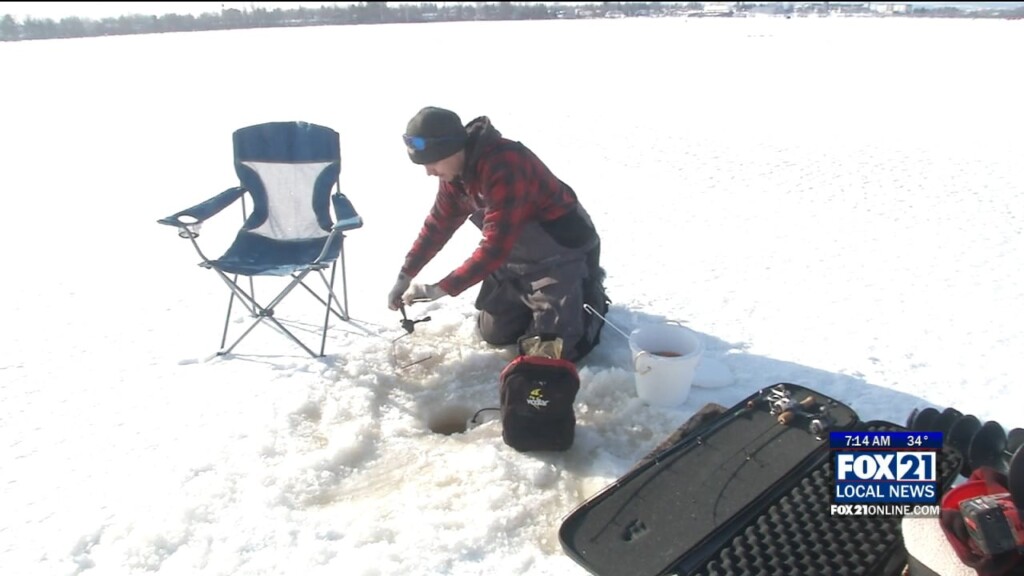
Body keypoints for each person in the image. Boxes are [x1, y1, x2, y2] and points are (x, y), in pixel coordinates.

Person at [387, 106, 608, 363]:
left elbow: (494, 247)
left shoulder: (505, 165)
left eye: (432, 162)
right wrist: (405, 275)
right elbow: (438, 225)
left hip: (562, 255)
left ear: (453, 148)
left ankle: (588, 298)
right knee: (494, 334)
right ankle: (535, 308)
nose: (429, 172)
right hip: (515, 261)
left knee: (551, 354)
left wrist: (441, 288)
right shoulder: (455, 174)